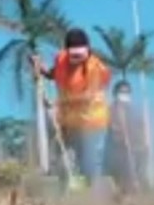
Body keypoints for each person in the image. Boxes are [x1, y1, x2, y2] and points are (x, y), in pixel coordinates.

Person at [31, 28, 112, 190]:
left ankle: (93, 198)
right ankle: (65, 195)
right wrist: (40, 68)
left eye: (80, 55)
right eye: (73, 55)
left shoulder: (96, 68)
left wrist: (56, 104)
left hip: (92, 123)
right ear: (67, 51)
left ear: (88, 50)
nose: (77, 59)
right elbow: (54, 74)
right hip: (68, 121)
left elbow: (87, 97)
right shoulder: (61, 59)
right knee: (62, 158)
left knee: (88, 163)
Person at [104, 80, 148, 195]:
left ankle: (135, 191)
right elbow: (111, 127)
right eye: (122, 91)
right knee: (121, 177)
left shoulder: (133, 110)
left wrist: (141, 142)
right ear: (115, 93)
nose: (124, 94)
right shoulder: (110, 110)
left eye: (127, 92)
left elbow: (140, 127)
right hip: (117, 150)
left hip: (135, 148)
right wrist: (120, 136)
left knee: (138, 173)